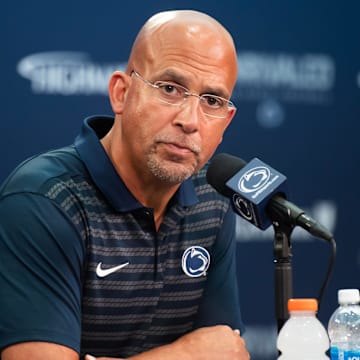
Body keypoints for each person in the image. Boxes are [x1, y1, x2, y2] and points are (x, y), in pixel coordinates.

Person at [0, 9, 250, 360]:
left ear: (226, 121)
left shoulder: (213, 200)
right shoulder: (44, 201)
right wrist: (185, 356)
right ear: (121, 92)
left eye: (211, 101)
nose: (189, 121)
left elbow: (224, 352)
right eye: (169, 88)